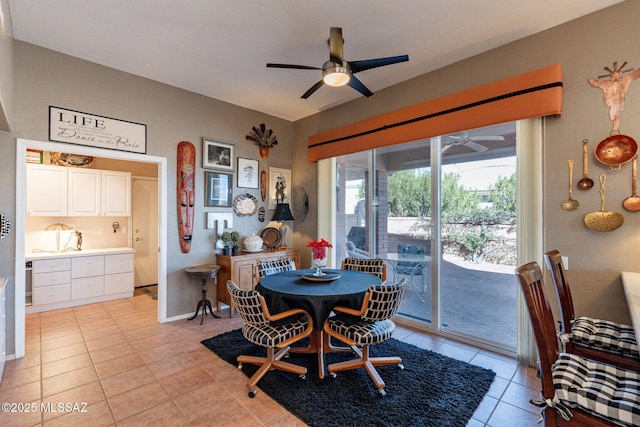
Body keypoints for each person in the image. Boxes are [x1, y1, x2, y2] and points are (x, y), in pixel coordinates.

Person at [588, 61, 640, 132]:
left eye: (615, 75)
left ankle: (615, 129)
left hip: (619, 100)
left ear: (619, 75)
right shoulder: (607, 83)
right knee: (614, 115)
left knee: (616, 115)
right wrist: (593, 82)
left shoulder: (624, 80)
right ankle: (615, 129)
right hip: (612, 101)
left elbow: (634, 75)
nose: (614, 77)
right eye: (612, 76)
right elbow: (597, 84)